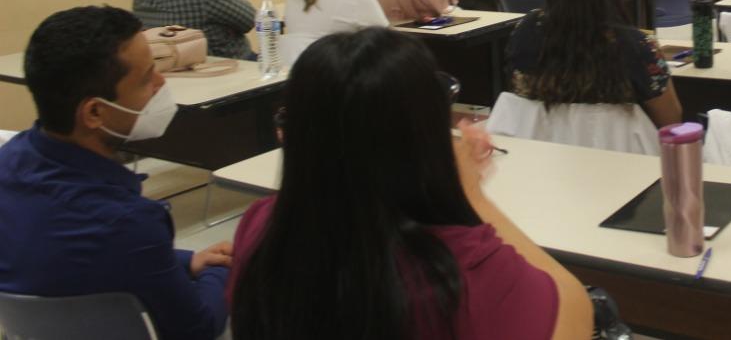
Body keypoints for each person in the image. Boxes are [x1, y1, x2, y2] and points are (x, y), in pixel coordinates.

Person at [228, 27, 593, 340]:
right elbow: (573, 310)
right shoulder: (462, 269)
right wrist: (473, 196)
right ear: (425, 135)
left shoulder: (261, 225)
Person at [0, 6, 231, 340]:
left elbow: (75, 258)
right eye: (147, 78)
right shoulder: (127, 222)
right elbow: (198, 329)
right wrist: (221, 273)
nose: (161, 82)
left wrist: (184, 260)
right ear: (95, 112)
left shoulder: (8, 163)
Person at [505, 0, 681, 128]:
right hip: (617, 147)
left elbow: (518, 95)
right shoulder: (637, 46)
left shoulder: (526, 30)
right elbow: (671, 120)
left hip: (541, 144)